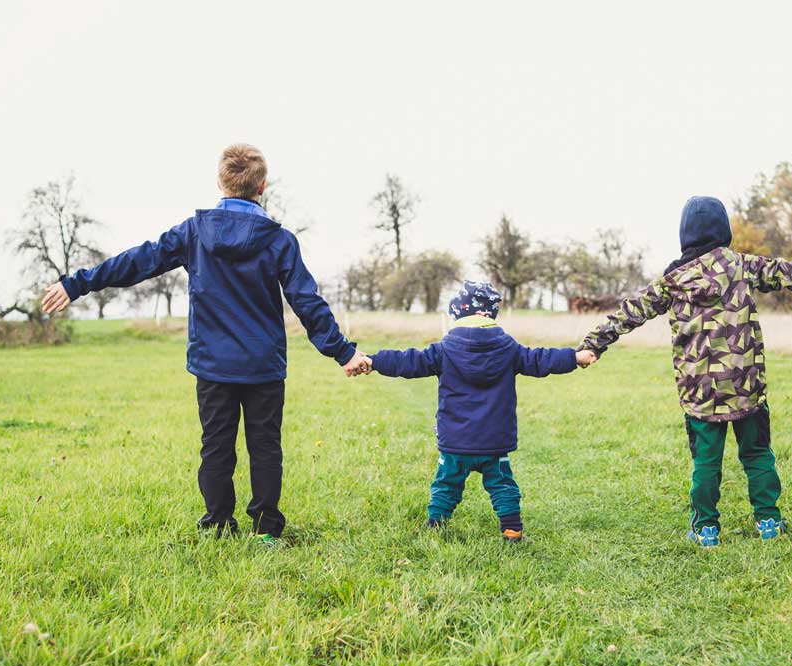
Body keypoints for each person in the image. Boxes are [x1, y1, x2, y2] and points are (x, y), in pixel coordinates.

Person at [40, 143, 371, 546]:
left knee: (216, 448)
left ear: (220, 182)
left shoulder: (195, 233)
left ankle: (217, 524)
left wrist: (77, 283)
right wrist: (344, 352)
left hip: (213, 365)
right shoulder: (279, 240)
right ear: (262, 186)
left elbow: (138, 261)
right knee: (265, 447)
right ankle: (266, 531)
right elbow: (306, 301)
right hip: (263, 365)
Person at [577, 196, 792, 547]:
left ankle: (706, 529)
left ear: (685, 235)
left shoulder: (672, 281)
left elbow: (629, 312)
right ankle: (768, 521)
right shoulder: (741, 266)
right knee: (757, 454)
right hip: (746, 385)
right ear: (724, 230)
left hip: (700, 393)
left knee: (706, 462)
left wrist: (593, 344)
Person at [365, 281, 594, 542]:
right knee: (502, 485)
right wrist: (574, 358)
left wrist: (374, 360)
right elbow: (540, 359)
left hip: (455, 441)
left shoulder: (444, 350)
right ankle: (511, 528)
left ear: (457, 314)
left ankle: (436, 524)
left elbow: (408, 361)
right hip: (494, 441)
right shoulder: (509, 349)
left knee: (446, 484)